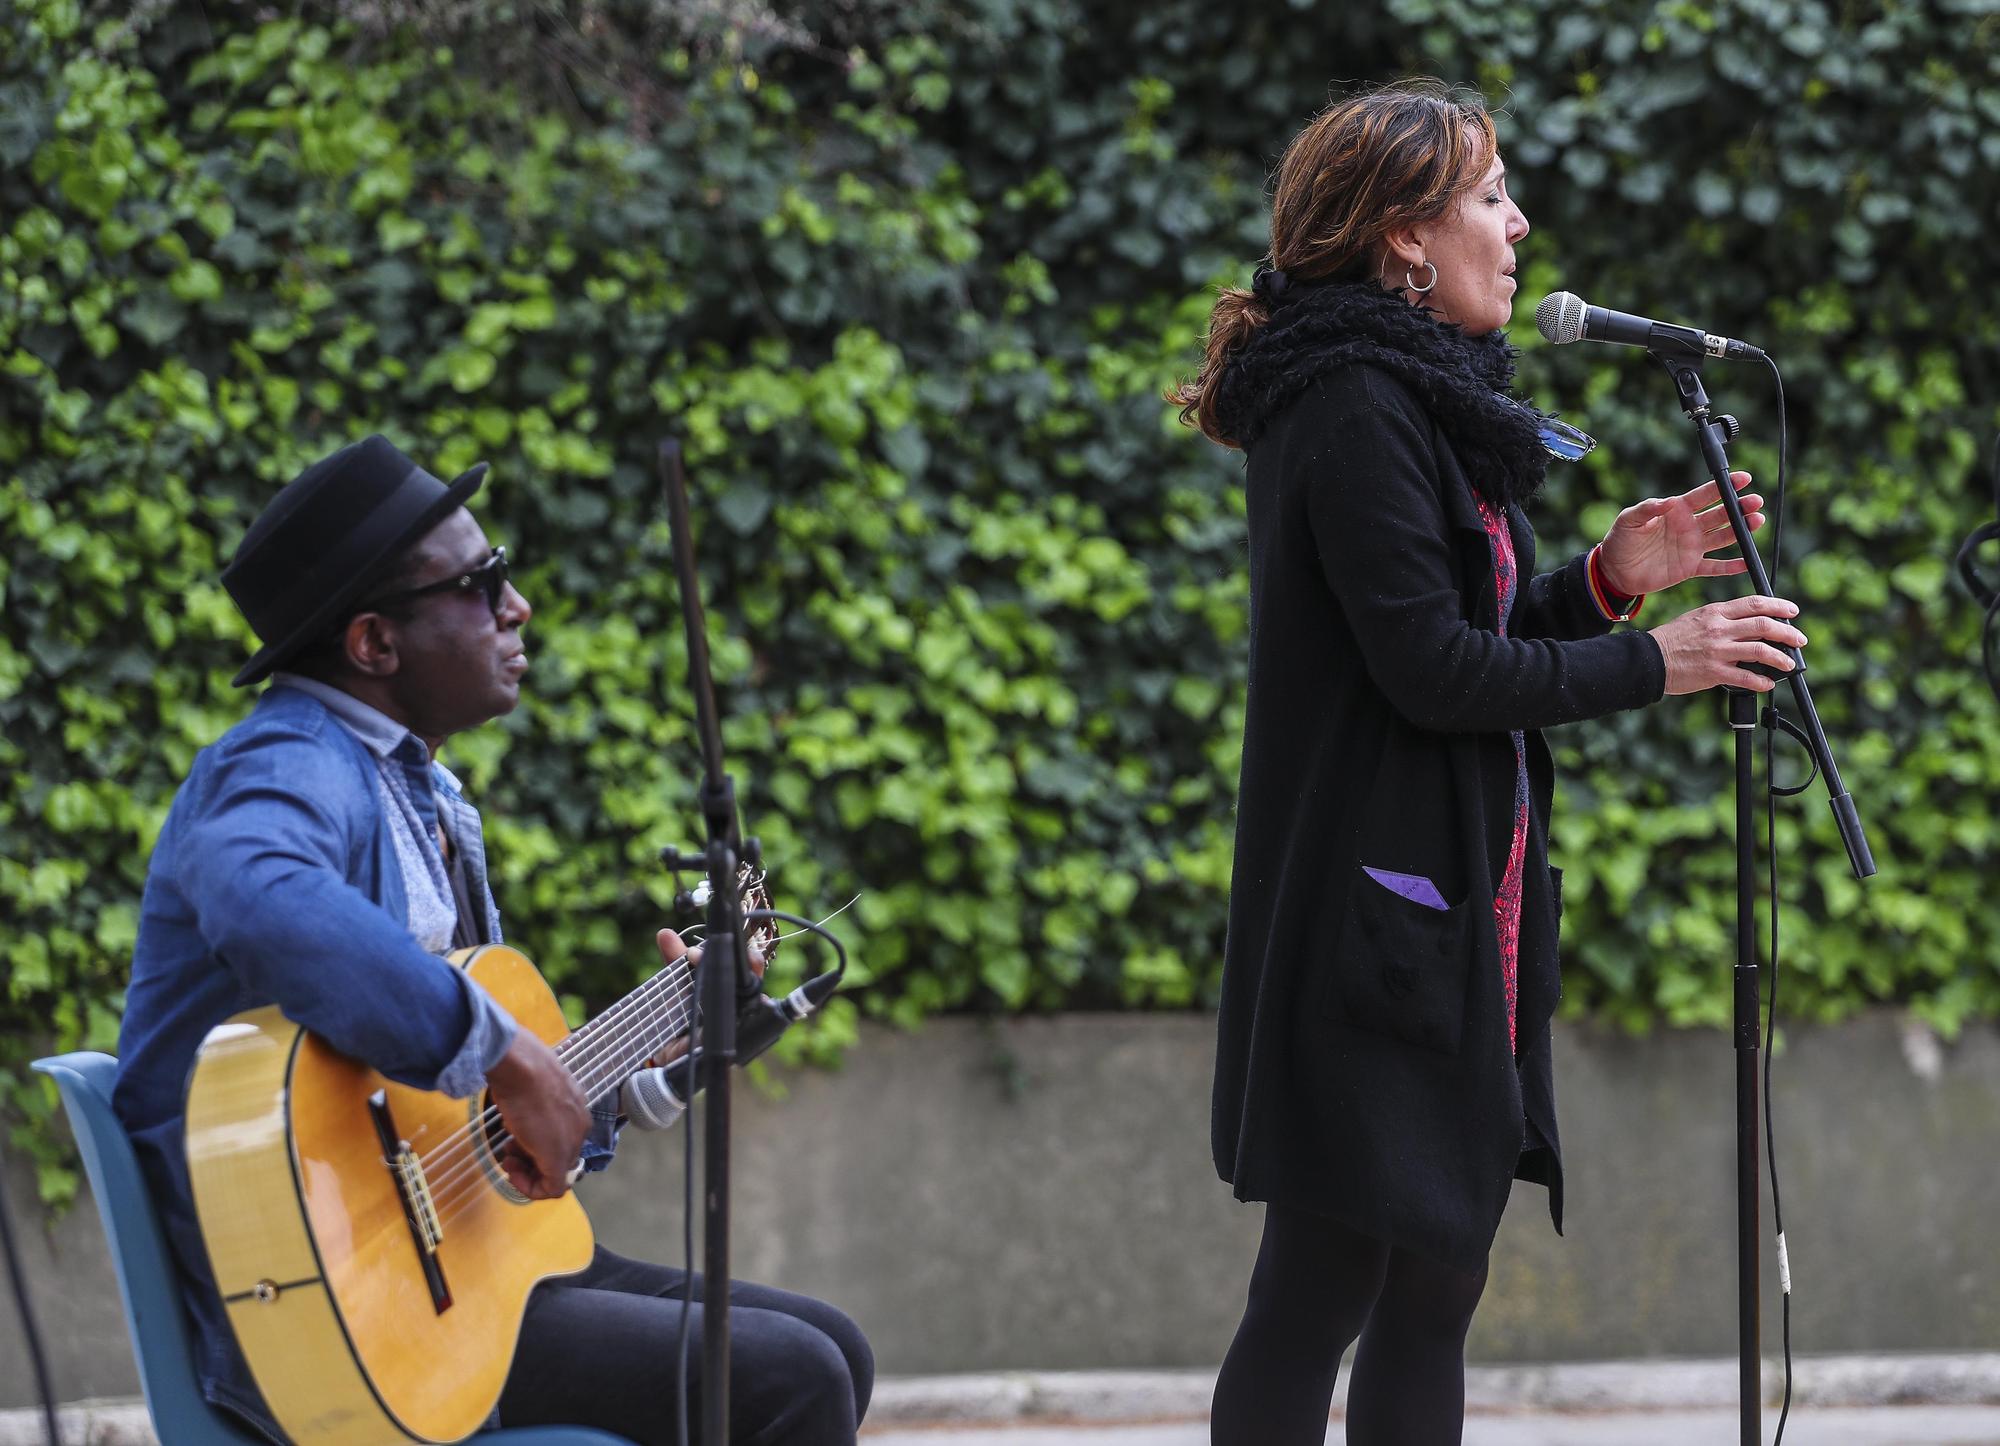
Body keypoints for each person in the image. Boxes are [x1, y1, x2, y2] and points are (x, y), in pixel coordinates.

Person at [1172, 81, 1807, 1445]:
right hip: (1376, 918)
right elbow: (1434, 672)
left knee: (1437, 1276)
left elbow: (1465, 637)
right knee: (1324, 1278)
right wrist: (1663, 660)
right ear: (1405, 237)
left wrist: (1606, 581)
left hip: (1456, 907)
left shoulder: (1418, 395)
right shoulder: (1350, 402)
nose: (1518, 224)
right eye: (1489, 196)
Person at [112, 435, 873, 1445]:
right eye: (483, 584)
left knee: (833, 1347)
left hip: (463, 1266)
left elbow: (483, 1133)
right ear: (374, 645)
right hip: (335, 1308)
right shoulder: (289, 760)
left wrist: (638, 1066)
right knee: (788, 1379)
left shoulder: (428, 797)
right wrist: (505, 1050)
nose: (516, 609)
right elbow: (261, 893)